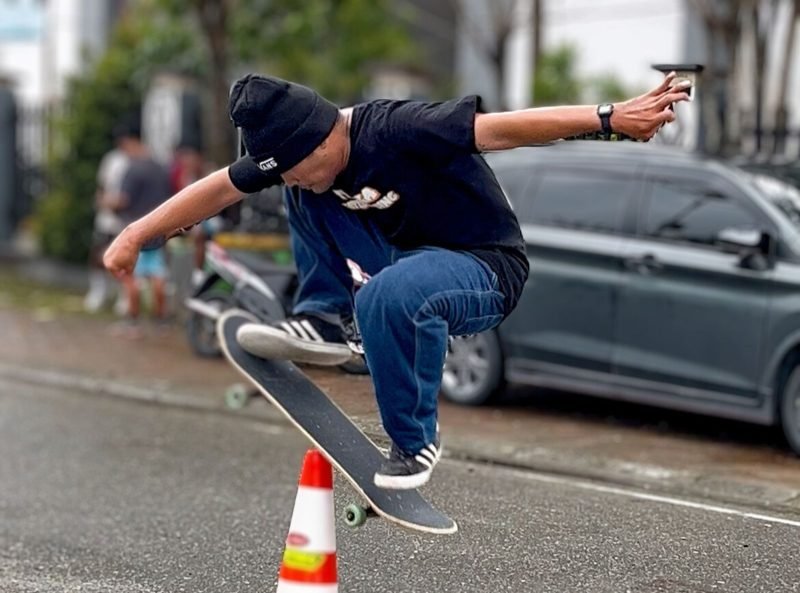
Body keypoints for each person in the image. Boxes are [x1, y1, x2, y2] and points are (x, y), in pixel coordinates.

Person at [104, 72, 691, 488]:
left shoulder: (402, 128)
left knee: (389, 292)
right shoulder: (302, 165)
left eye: (299, 165)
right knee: (310, 202)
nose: (297, 179)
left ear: (326, 134)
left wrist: (610, 118)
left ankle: (414, 442)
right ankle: (325, 315)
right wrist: (138, 234)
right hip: (404, 260)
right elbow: (217, 189)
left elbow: (506, 128)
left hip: (484, 266)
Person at [106, 118, 173, 336]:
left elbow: (122, 200)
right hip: (158, 230)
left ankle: (132, 323)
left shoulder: (132, 168)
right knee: (157, 277)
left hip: (134, 230)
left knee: (130, 279)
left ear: (126, 143)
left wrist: (105, 202)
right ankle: (161, 321)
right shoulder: (160, 166)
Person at [84, 146, 129, 313]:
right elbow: (102, 186)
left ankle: (123, 296)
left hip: (126, 219)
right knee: (97, 255)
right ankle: (98, 292)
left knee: (123, 258)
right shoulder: (112, 159)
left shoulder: (136, 161)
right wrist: (103, 202)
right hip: (107, 218)